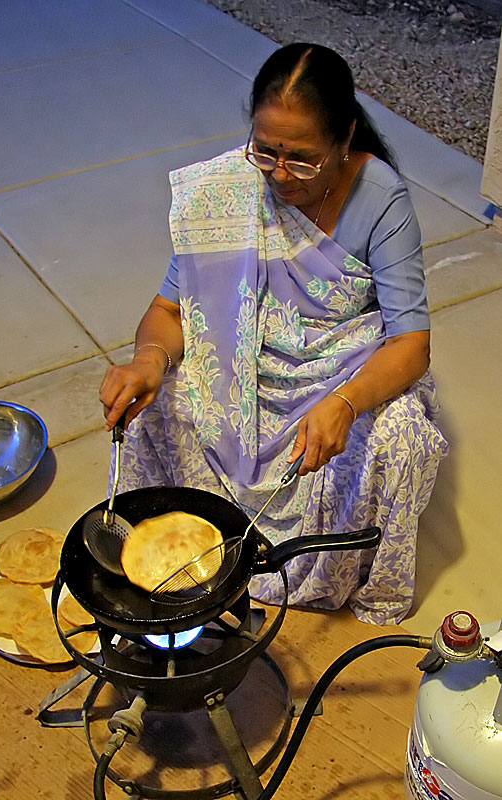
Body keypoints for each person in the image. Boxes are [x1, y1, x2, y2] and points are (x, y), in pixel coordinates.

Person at [99, 43, 448, 625]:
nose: (281, 175)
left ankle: (332, 575)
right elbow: (171, 310)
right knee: (156, 406)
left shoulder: (381, 198)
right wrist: (149, 359)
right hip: (245, 363)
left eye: (304, 159)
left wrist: (344, 402)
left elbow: (411, 343)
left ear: (345, 139)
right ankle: (183, 548)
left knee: (402, 439)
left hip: (343, 374)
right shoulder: (228, 191)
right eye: (266, 152)